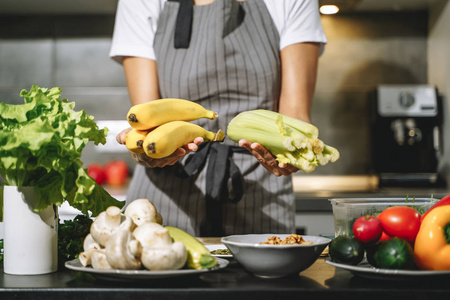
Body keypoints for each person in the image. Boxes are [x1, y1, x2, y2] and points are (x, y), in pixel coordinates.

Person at [110, 0, 327, 237]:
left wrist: (291, 154)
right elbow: (148, 116)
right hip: (164, 195)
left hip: (262, 188)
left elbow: (294, 115)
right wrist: (145, 151)